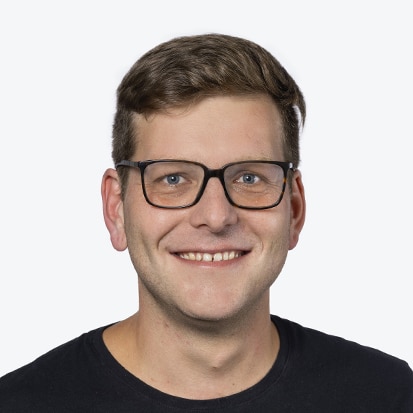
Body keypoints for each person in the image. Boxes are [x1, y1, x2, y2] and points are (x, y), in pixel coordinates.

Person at [0, 33, 412, 412]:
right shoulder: (20, 404)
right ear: (116, 209)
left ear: (295, 209)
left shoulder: (388, 396)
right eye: (173, 179)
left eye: (249, 178)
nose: (216, 217)